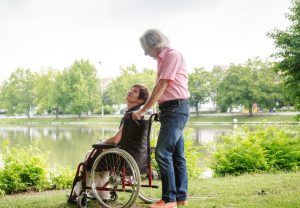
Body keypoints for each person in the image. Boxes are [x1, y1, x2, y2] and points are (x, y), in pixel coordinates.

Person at [132, 29, 190, 208]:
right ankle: (180, 198)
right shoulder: (162, 60)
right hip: (171, 109)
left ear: (153, 45)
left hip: (176, 109)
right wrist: (159, 109)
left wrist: (142, 110)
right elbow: (163, 90)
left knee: (162, 153)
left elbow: (161, 86)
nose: (147, 54)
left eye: (146, 50)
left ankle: (169, 199)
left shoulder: (172, 56)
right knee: (177, 156)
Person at [69, 84, 149, 203]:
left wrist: (101, 142)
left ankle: (81, 191)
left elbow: (116, 140)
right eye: (131, 89)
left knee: (90, 156)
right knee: (93, 153)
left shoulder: (131, 115)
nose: (130, 91)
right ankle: (100, 193)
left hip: (121, 158)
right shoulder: (139, 114)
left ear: (141, 100)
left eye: (135, 91)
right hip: (138, 157)